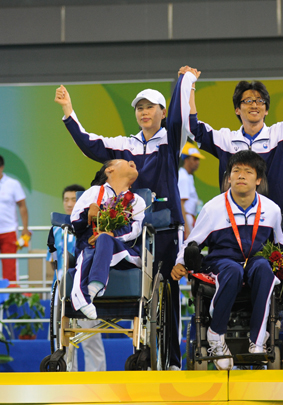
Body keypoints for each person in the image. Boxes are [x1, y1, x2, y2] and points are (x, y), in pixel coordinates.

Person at [54, 71, 196, 369]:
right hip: (128, 230)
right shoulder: (124, 145)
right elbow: (90, 144)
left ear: (162, 112)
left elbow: (180, 115)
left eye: (150, 107)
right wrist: (68, 111)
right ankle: (139, 350)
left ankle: (172, 360)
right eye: (139, 108)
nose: (144, 112)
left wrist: (185, 82)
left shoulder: (172, 138)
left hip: (166, 225)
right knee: (140, 292)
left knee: (168, 291)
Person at [171, 151, 283, 370]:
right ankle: (216, 335)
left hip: (256, 263)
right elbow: (192, 242)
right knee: (233, 270)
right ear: (228, 177)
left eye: (248, 171)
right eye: (236, 171)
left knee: (264, 268)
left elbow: (279, 242)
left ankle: (257, 341)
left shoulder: (272, 210)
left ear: (258, 179)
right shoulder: (212, 208)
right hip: (222, 262)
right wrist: (180, 261)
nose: (241, 175)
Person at [177, 41, 283, 230]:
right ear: (237, 109)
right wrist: (188, 86)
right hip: (233, 223)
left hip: (275, 224)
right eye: (247, 101)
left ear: (266, 109)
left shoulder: (280, 135)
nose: (254, 105)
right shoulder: (226, 140)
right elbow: (192, 128)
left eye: (260, 101)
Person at [70, 159, 146, 320]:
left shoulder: (137, 200)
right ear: (109, 170)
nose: (132, 161)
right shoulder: (93, 192)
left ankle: (88, 293)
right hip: (91, 248)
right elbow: (75, 222)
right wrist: (88, 211)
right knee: (89, 252)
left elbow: (136, 229)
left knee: (103, 239)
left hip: (123, 254)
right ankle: (91, 291)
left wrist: (112, 235)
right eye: (124, 161)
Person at [47, 184, 106, 372]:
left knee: (90, 338)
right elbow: (53, 260)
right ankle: (66, 377)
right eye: (66, 200)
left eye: (74, 199)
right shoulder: (56, 230)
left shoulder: (92, 227)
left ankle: (96, 380)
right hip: (63, 290)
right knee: (62, 339)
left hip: (84, 287)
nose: (69, 203)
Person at [0, 155, 31, 282]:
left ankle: (10, 293)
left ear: (2, 167)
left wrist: (25, 228)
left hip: (8, 231)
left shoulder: (13, 184)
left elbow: (22, 206)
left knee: (10, 267)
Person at [178, 141, 205, 239]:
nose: (198, 162)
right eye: (195, 159)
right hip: (186, 219)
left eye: (198, 159)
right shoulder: (183, 177)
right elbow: (181, 203)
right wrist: (186, 228)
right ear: (186, 159)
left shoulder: (187, 176)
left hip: (189, 218)